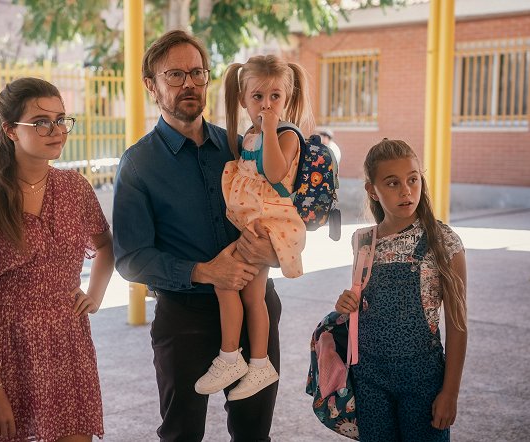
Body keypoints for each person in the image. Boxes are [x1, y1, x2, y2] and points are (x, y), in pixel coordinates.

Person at [112, 30, 282, 441]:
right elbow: (130, 258)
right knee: (182, 434)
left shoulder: (241, 147)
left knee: (254, 434)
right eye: (174, 75)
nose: (189, 83)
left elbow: (278, 211)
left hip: (254, 309)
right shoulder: (138, 165)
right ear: (151, 86)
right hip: (183, 317)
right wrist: (205, 272)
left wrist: (274, 250)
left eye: (197, 73)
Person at [0, 77, 114, 441]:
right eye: (41, 122)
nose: (56, 130)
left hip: (68, 346)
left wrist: (95, 295)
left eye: (60, 119)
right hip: (3, 352)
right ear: (10, 130)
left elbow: (105, 246)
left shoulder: (74, 187)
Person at [194, 55, 313, 401]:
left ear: (287, 99)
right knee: (246, 293)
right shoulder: (248, 135)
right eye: (257, 97)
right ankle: (255, 363)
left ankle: (235, 357)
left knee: (229, 284)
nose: (266, 104)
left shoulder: (287, 134)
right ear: (243, 100)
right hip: (252, 223)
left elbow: (275, 173)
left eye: (275, 96)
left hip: (269, 224)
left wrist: (272, 129)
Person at [335, 139, 467, 441]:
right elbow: (361, 302)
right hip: (369, 378)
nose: (406, 191)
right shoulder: (363, 241)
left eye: (412, 179)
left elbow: (458, 325)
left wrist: (450, 392)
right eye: (392, 183)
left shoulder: (445, 242)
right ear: (372, 190)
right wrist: (347, 301)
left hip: (423, 378)